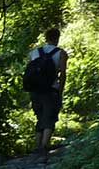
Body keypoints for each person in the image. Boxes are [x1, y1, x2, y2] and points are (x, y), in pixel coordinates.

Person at [25, 28, 68, 158]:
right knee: (50, 117)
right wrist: (60, 90)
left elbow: (29, 72)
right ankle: (44, 147)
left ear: (46, 38)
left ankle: (37, 146)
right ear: (57, 38)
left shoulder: (34, 53)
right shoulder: (61, 53)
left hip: (35, 90)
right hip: (51, 90)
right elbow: (63, 74)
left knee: (40, 117)